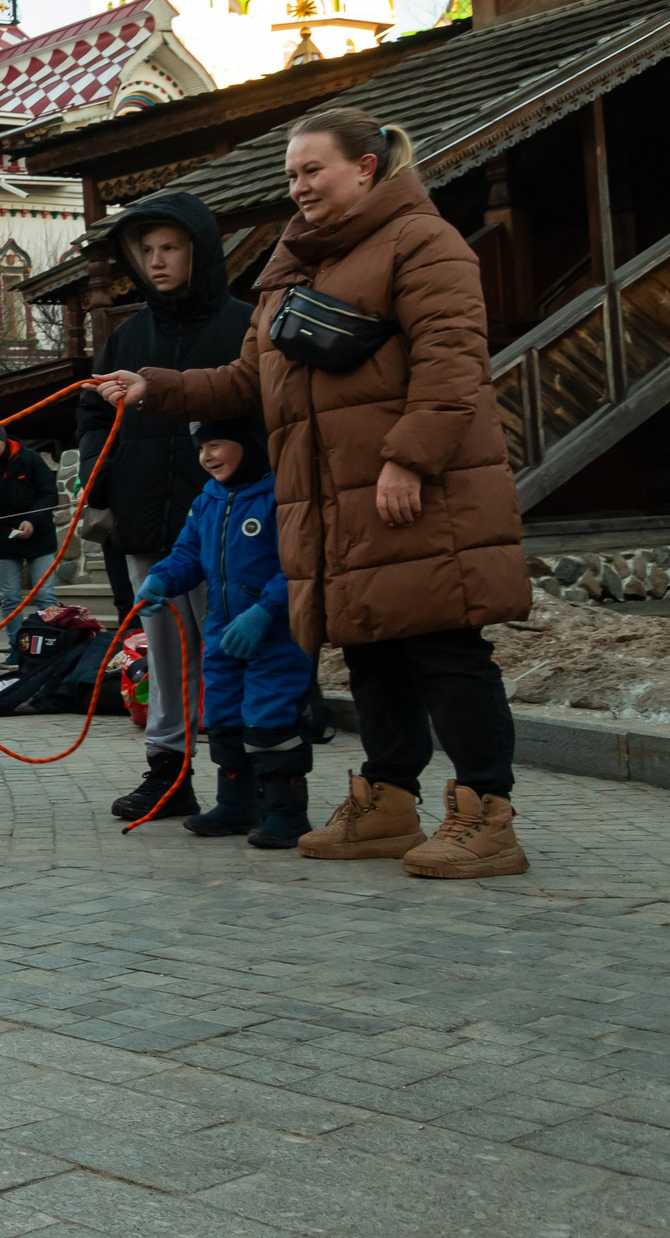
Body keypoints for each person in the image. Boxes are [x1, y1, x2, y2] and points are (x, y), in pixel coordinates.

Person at [95, 106, 535, 879]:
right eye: (291, 174)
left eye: (312, 170)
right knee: (370, 649)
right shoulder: (293, 264)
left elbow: (452, 362)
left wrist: (408, 460)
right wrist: (155, 387)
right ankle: (389, 800)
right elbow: (247, 379)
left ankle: (485, 813)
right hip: (334, 501)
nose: (298, 186)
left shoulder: (422, 242)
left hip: (412, 494)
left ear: (366, 168)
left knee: (444, 648)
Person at [75, 190, 253, 822]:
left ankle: (247, 779)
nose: (156, 260)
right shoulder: (128, 337)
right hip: (147, 521)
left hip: (230, 526)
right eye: (146, 249)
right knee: (164, 653)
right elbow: (93, 411)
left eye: (170, 247)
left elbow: (268, 410)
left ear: (199, 251)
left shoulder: (244, 326)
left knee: (230, 651)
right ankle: (169, 773)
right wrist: (102, 476)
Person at [132, 418, 314, 846]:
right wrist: (161, 579)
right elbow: (188, 553)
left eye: (215, 445)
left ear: (249, 444)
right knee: (223, 717)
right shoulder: (207, 501)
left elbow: (298, 563)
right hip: (222, 635)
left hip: (275, 637)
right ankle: (235, 804)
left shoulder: (279, 497)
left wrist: (265, 611)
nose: (206, 456)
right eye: (201, 448)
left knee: (271, 719)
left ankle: (286, 813)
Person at [0, 415, 61, 665]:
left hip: (39, 534)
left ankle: (48, 644)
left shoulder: (29, 458)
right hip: (4, 537)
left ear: (4, 440)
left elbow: (49, 493)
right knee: (10, 597)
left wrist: (33, 520)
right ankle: (18, 646)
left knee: (44, 594)